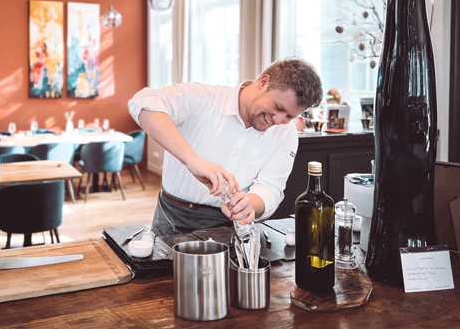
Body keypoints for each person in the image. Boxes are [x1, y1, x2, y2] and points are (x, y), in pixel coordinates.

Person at [128, 57, 323, 236]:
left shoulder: (286, 133)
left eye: (289, 116)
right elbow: (142, 103)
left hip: (232, 228)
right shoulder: (204, 97)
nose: (280, 120)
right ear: (264, 82)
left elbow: (271, 188)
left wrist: (250, 204)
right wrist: (192, 160)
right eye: (279, 108)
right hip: (173, 218)